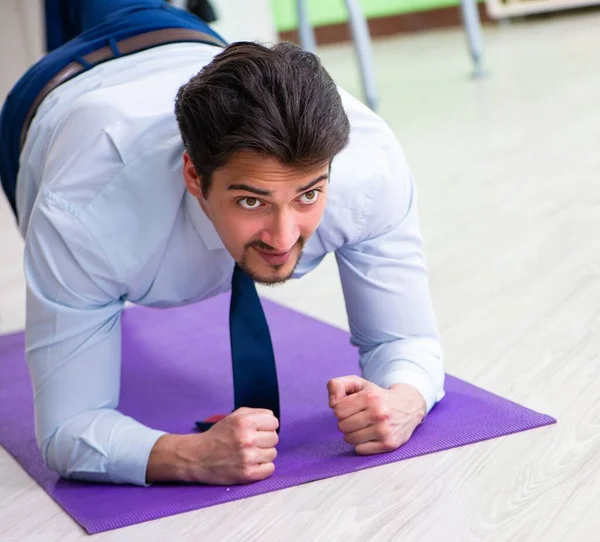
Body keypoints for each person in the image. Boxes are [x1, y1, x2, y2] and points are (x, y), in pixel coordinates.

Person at [0, 0, 445, 487]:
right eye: (252, 201)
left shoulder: (369, 170)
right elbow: (68, 429)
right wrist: (187, 456)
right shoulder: (82, 215)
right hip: (53, 93)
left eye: (308, 194)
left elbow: (408, 339)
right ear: (194, 175)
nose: (283, 237)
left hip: (183, 40)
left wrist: (406, 397)